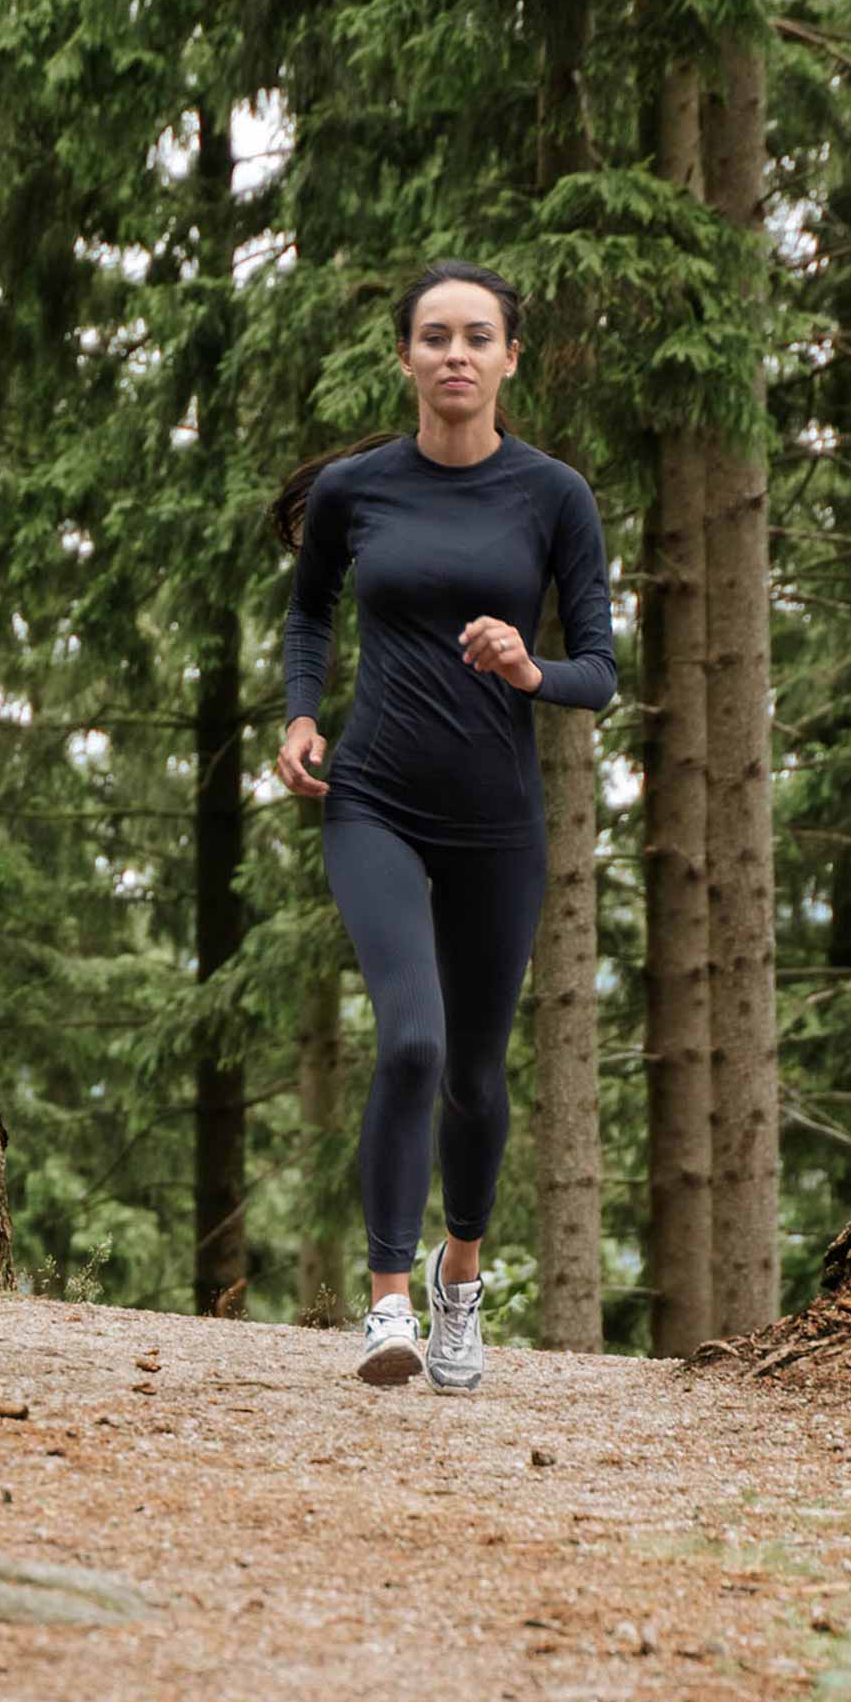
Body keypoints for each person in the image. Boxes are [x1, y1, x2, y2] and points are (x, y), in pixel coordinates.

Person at [273, 261, 615, 1392]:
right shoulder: (358, 490)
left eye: (479, 336)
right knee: (410, 1041)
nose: (456, 354)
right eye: (435, 337)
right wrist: (301, 717)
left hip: (498, 820)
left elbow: (601, 674)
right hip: (373, 797)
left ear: (511, 358)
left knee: (475, 1071)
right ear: (407, 358)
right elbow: (308, 605)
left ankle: (458, 1274)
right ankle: (382, 1305)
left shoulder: (554, 496)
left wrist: (531, 667)